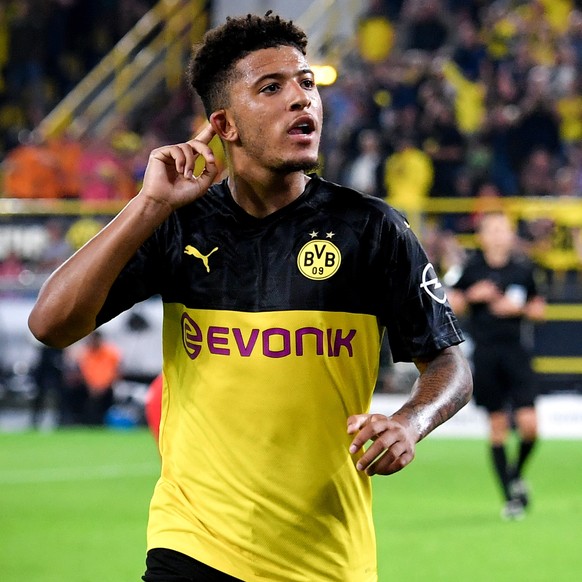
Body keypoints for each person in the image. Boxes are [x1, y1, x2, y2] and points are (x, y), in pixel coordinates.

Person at [28, 12, 472, 581]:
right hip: (192, 547)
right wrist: (149, 205)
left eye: (307, 83)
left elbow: (448, 362)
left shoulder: (371, 229)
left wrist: (411, 421)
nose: (301, 100)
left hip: (327, 560)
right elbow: (51, 324)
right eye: (272, 87)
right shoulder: (177, 225)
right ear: (225, 124)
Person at [447, 211, 546, 521]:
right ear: (483, 235)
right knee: (498, 427)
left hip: (516, 353)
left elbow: (539, 309)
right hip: (487, 355)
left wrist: (518, 308)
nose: (500, 234)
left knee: (530, 427)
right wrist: (473, 296)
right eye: (494, 229)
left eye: (505, 228)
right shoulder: (471, 269)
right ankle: (511, 498)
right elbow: (451, 303)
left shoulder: (523, 269)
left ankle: (515, 473)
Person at [72, 330, 121, 425]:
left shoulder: (110, 353)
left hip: (107, 387)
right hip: (88, 387)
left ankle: (104, 421)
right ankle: (80, 420)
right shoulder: (85, 353)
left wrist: (102, 386)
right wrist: (91, 386)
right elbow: (83, 371)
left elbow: (114, 372)